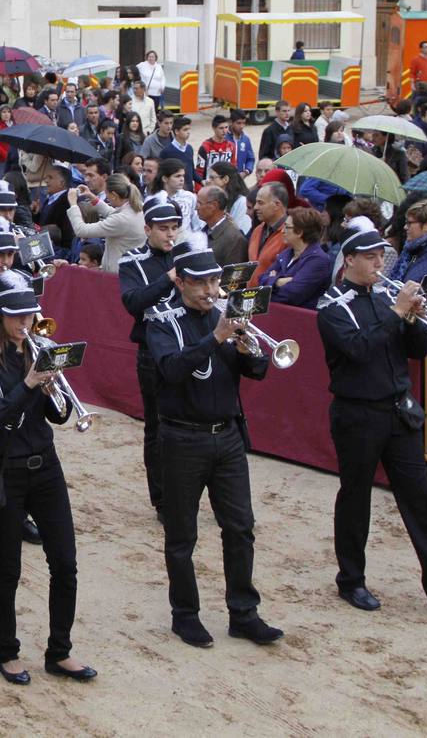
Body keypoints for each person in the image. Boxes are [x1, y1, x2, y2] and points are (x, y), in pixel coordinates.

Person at [317, 229, 427, 614]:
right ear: (350, 260)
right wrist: (396, 313)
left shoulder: (388, 297)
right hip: (357, 413)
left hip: (398, 409)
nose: (379, 264)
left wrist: (415, 320)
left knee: (419, 499)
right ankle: (351, 580)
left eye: (381, 257)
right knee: (356, 498)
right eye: (371, 257)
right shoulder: (332, 305)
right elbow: (358, 350)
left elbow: (417, 350)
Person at [0, 268, 97, 686]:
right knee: (8, 569)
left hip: (46, 466)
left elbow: (56, 415)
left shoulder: (41, 347)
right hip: (4, 469)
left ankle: (60, 651)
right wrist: (27, 384)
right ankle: (7, 652)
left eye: (31, 316)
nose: (26, 324)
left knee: (66, 563)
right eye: (17, 317)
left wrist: (54, 389)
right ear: (0, 315)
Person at [145, 246, 282, 648]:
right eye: (202, 282)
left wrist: (246, 347)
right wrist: (215, 337)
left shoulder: (228, 317)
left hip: (228, 436)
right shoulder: (161, 320)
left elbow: (257, 372)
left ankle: (244, 613)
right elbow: (170, 370)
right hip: (182, 437)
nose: (211, 290)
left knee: (240, 527)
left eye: (215, 281)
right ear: (182, 282)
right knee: (182, 534)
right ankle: (185, 615)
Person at [118, 194, 186, 519]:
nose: (170, 234)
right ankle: (162, 498)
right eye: (163, 228)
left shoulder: (186, 254)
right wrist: (169, 279)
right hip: (153, 352)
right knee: (157, 426)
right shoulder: (132, 260)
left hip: (188, 345)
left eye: (174, 227)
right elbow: (134, 303)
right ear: (147, 229)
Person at [65, 173, 145, 272]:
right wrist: (92, 197)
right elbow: (112, 213)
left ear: (114, 195)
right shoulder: (136, 207)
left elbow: (81, 230)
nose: (107, 197)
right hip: (129, 269)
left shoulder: (121, 219)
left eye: (106, 194)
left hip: (120, 276)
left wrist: (73, 204)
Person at [257, 207, 332, 308]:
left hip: (297, 319)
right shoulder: (287, 253)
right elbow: (261, 279)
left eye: (287, 227)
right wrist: (278, 282)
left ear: (300, 232)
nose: (283, 231)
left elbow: (291, 296)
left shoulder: (318, 261)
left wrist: (271, 280)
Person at [248, 182, 289, 284]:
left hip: (271, 297)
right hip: (250, 296)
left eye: (260, 203)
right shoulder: (257, 230)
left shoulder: (290, 234)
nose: (255, 207)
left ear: (277, 205)